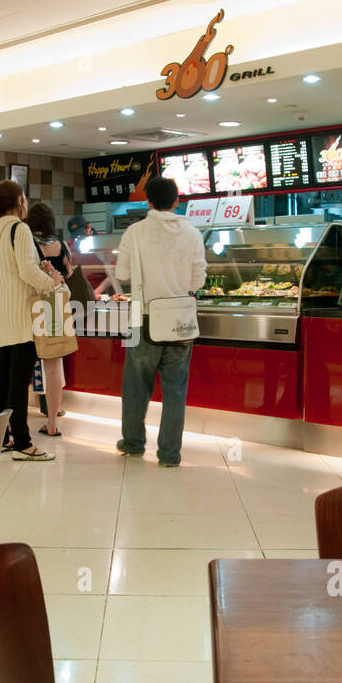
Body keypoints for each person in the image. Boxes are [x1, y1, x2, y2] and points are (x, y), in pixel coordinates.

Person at [114, 176, 206, 467]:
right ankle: (169, 454)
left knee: (135, 387)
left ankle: (132, 444)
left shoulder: (135, 232)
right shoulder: (192, 233)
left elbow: (123, 275)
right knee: (176, 389)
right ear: (177, 201)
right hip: (180, 320)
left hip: (143, 317)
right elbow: (199, 279)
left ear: (149, 201)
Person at [0, 180, 63, 460]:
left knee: (2, 381)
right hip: (22, 316)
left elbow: (12, 268)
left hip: (2, 314)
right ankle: (23, 443)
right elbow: (26, 270)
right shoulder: (19, 228)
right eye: (24, 198)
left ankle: (0, 437)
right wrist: (50, 282)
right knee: (18, 382)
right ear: (18, 201)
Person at [26, 202, 72, 437]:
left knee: (23, 364)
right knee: (54, 367)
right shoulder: (61, 244)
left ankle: (16, 426)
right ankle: (52, 423)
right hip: (55, 307)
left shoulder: (29, 245)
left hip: (31, 306)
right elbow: (69, 273)